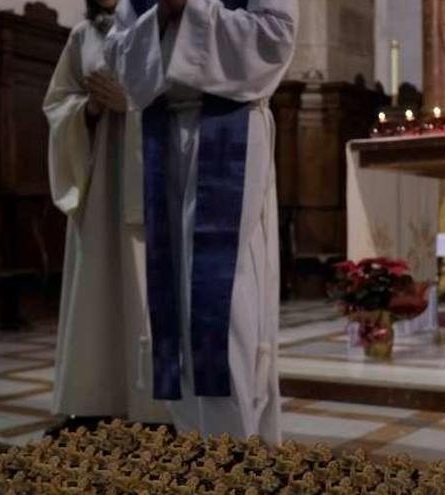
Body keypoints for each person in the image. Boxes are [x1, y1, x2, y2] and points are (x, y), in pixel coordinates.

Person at [105, 0, 297, 444]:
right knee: (173, 292)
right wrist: (162, 17)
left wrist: (186, 10)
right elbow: (119, 58)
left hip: (231, 129)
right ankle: (194, 438)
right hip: (162, 133)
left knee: (223, 292)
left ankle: (235, 445)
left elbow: (275, 38)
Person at [43, 0, 167, 433]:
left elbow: (184, 100)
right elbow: (58, 104)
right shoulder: (83, 38)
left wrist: (130, 102)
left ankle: (156, 410)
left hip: (149, 179)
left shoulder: (160, 30)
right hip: (99, 187)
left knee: (145, 290)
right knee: (95, 287)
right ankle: (92, 400)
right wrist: (90, 110)